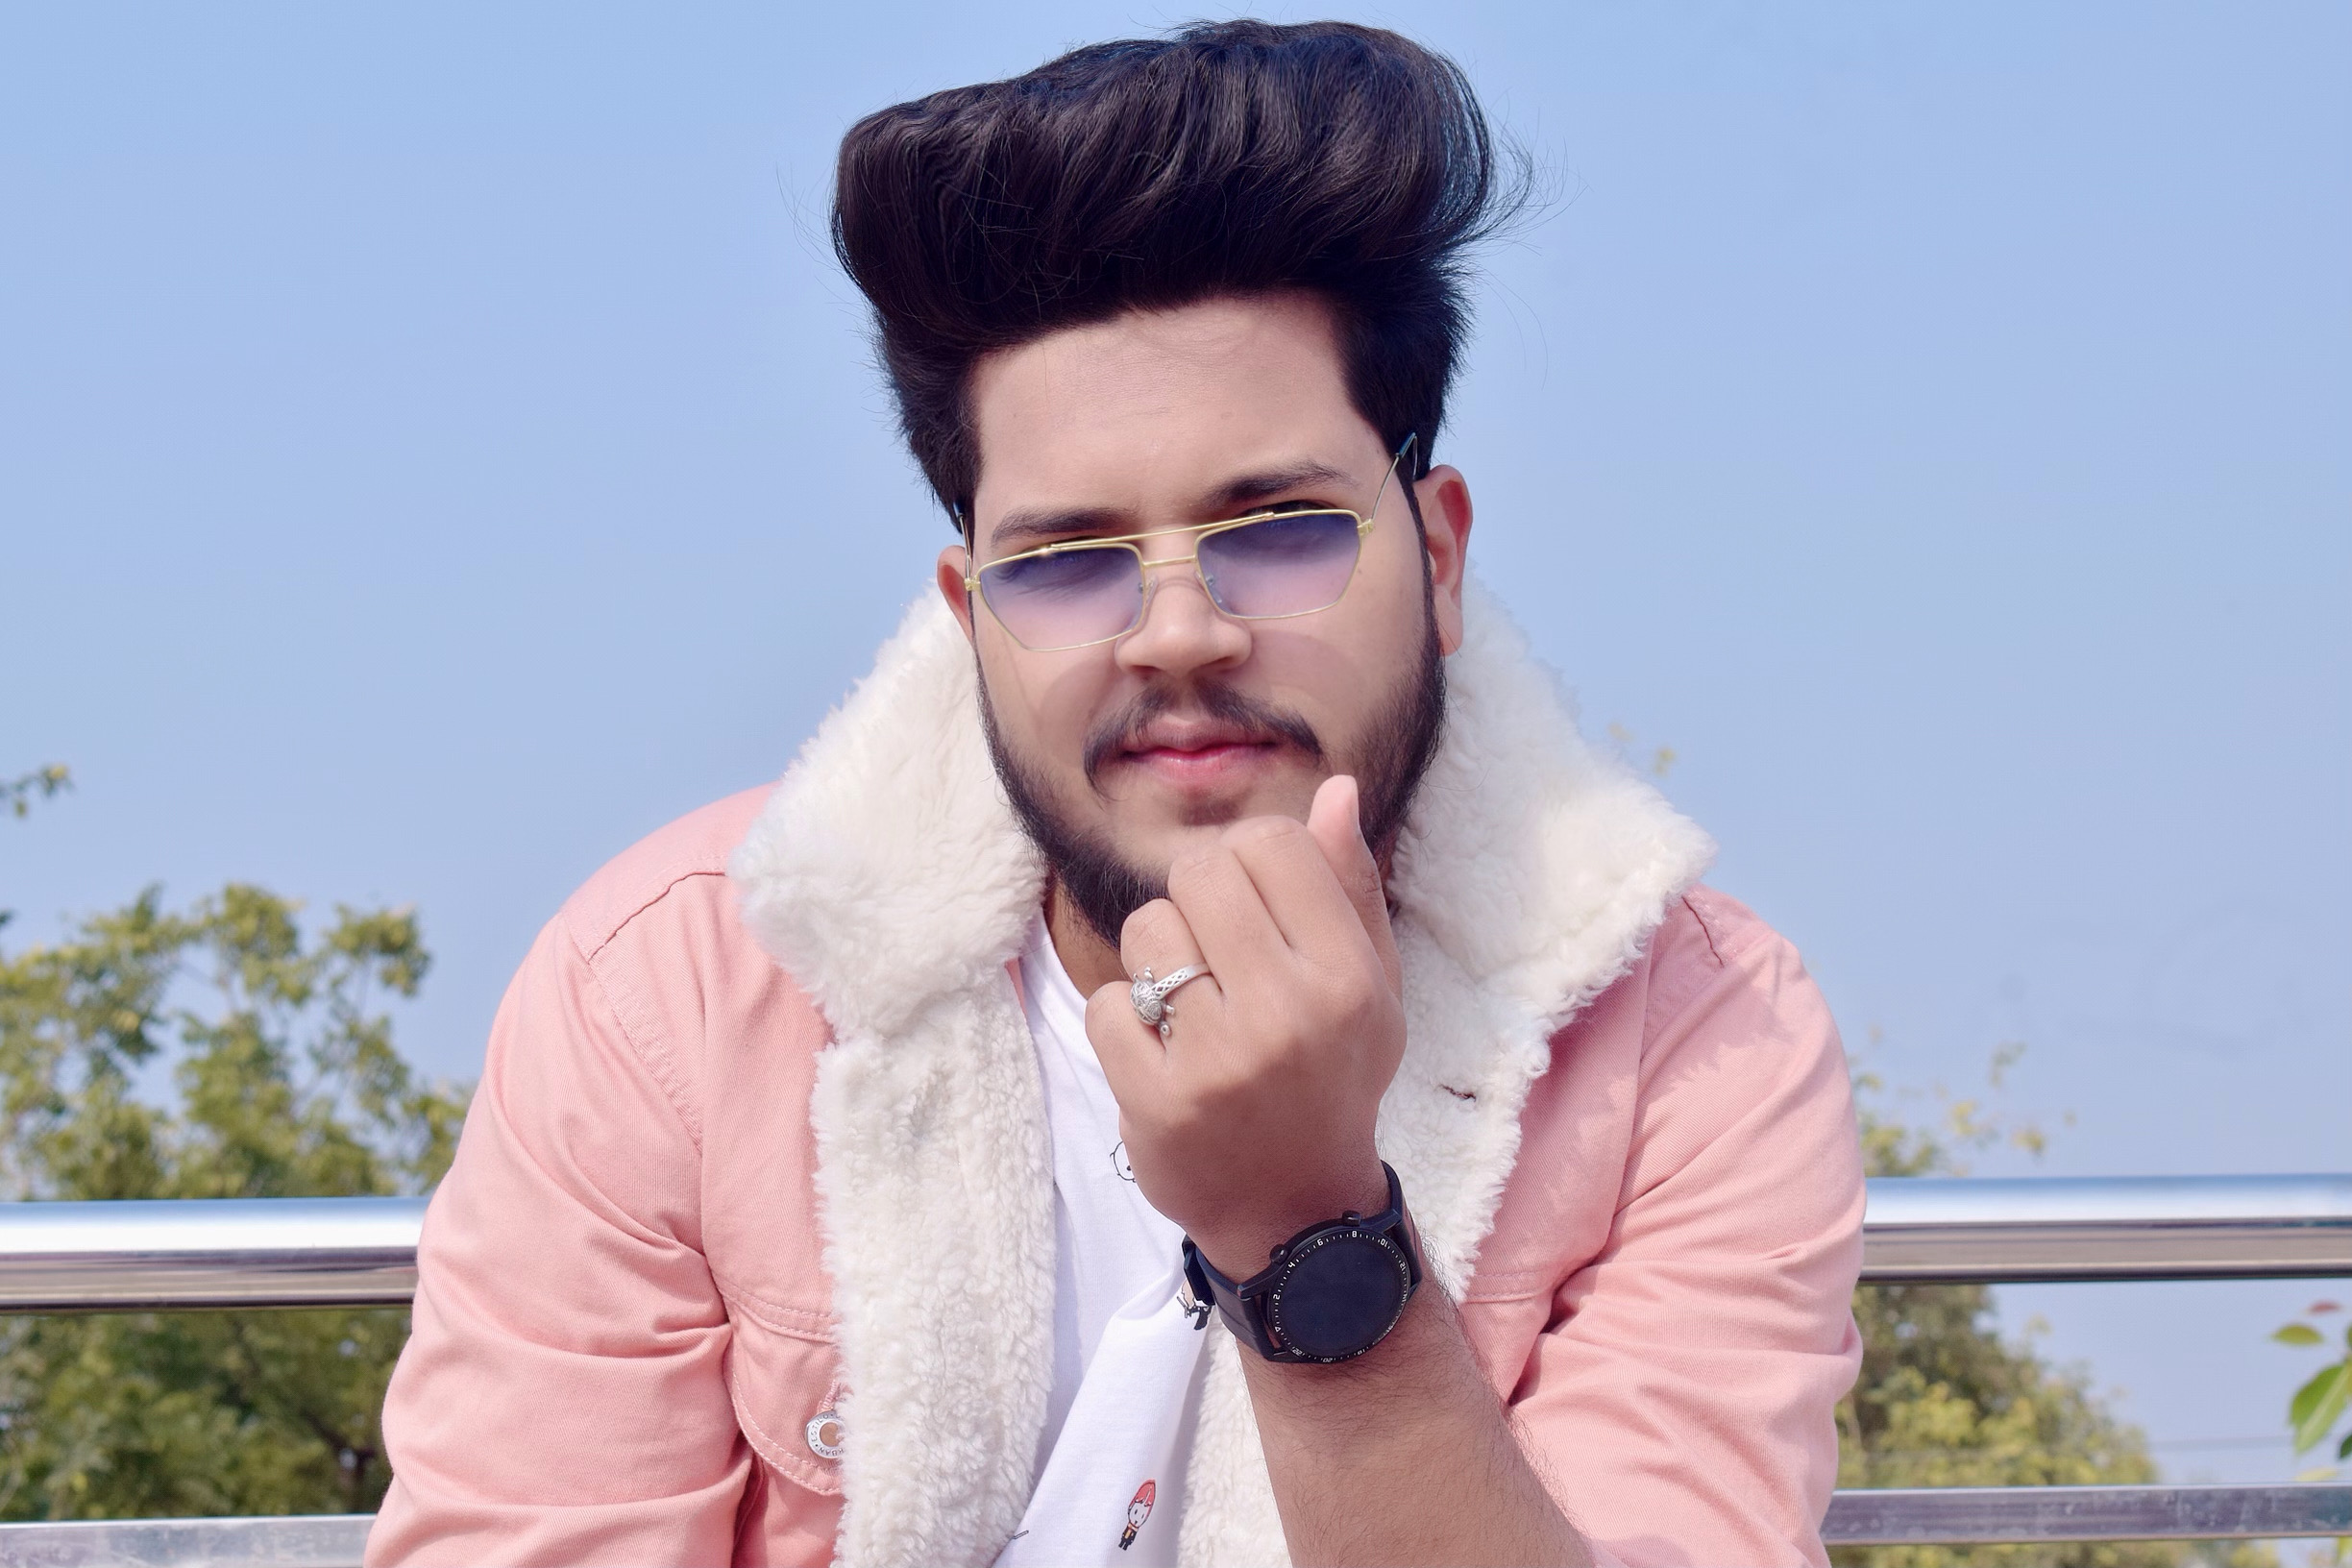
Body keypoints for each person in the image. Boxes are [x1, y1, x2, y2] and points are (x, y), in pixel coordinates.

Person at [366, 19, 1864, 1568]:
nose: (1178, 633)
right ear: (972, 620)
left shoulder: (1694, 1041)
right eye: (1068, 563)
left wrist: (1312, 1237)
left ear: (1439, 558)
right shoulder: (674, 992)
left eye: (1279, 530)